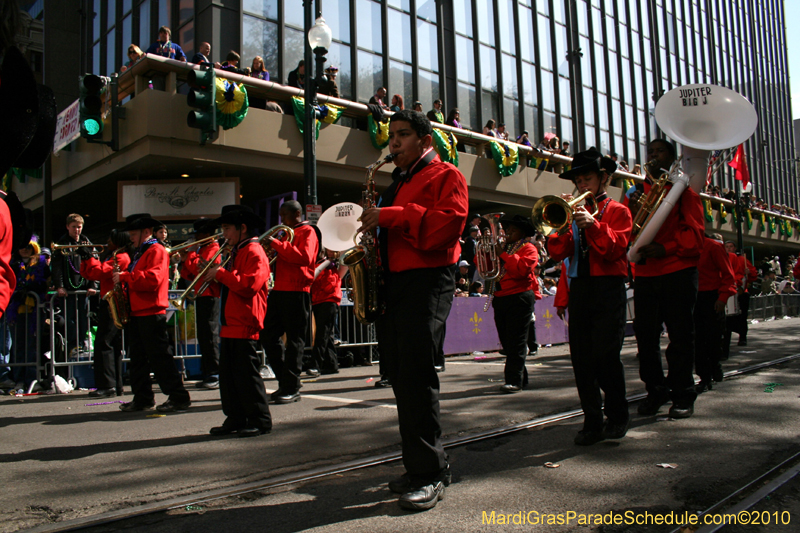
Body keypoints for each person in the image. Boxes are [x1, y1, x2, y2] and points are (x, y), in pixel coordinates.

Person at [357, 109, 468, 511]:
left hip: (428, 279)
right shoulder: (395, 182)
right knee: (403, 377)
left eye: (402, 135)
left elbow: (448, 227)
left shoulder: (446, 175)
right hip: (397, 283)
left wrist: (391, 216)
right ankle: (419, 465)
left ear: (425, 141)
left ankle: (431, 472)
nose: (394, 144)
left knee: (417, 376)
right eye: (390, 137)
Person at [547, 150, 632, 445]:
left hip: (608, 288)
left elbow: (615, 250)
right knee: (581, 360)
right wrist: (560, 224)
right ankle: (592, 420)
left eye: (588, 178)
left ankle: (618, 415)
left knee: (606, 357)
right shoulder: (573, 214)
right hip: (581, 288)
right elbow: (558, 254)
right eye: (579, 180)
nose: (582, 185)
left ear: (603, 179)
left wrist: (593, 224)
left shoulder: (618, 210)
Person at [630, 139, 705, 419]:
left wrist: (666, 248)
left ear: (671, 158)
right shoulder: (636, 192)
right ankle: (656, 391)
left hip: (678, 271)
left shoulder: (684, 191)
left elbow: (696, 235)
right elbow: (630, 232)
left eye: (658, 151)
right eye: (649, 151)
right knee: (645, 338)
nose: (652, 155)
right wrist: (635, 209)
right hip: (647, 274)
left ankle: (683, 393)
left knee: (681, 335)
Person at [203, 205, 272, 437]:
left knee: (246, 376)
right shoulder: (237, 251)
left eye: (227, 228)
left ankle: (259, 420)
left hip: (244, 321)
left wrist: (220, 274)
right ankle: (235, 417)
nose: (224, 234)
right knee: (230, 377)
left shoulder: (253, 251)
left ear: (242, 228)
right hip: (231, 321)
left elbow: (249, 285)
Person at [114, 213, 191, 413]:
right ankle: (143, 398)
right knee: (138, 359)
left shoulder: (155, 249)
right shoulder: (141, 251)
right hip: (139, 310)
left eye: (133, 233)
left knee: (160, 358)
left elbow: (153, 280)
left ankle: (178, 396)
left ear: (145, 232)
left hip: (151, 310)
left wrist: (126, 277)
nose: (130, 237)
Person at [262, 201, 319, 404]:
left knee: (295, 341)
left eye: (284, 215)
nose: (281, 220)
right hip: (280, 289)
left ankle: (291, 386)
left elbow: (305, 257)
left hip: (297, 290)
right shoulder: (288, 233)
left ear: (296, 214)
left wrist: (277, 245)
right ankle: (287, 379)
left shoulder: (307, 231)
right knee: (268, 334)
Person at [485, 215, 538, 393]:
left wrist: (502, 254)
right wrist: (486, 251)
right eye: (507, 229)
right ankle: (521, 376)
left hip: (519, 297)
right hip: (500, 296)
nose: (508, 233)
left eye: (513, 230)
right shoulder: (503, 247)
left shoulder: (529, 248)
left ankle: (514, 380)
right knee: (507, 342)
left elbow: (521, 270)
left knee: (516, 341)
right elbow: (484, 268)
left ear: (522, 233)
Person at [79, 229, 131, 397]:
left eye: (111, 239)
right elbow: (90, 273)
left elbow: (99, 272)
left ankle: (107, 385)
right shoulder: (112, 256)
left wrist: (90, 257)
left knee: (104, 343)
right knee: (111, 344)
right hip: (109, 301)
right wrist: (85, 259)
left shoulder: (121, 257)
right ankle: (116, 385)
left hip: (113, 302)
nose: (107, 241)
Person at [179, 218, 222, 389]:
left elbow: (200, 269)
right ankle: (207, 372)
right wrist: (185, 259)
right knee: (204, 336)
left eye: (198, 234)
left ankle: (214, 373)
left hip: (210, 295)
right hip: (201, 294)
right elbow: (190, 274)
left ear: (205, 234)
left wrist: (190, 253)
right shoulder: (203, 249)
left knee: (210, 335)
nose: (195, 237)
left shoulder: (213, 248)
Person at [694, 234, 736, 393]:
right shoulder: (685, 245)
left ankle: (715, 364)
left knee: (713, 336)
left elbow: (727, 274)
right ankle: (704, 377)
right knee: (697, 339)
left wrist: (723, 297)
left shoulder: (713, 246)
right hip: (693, 297)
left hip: (711, 297)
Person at [51, 214, 99, 355]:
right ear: (67, 227)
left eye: (79, 227)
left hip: (84, 287)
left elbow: (94, 265)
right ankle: (72, 345)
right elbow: (57, 267)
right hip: (69, 288)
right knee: (70, 319)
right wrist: (59, 285)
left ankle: (83, 344)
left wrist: (92, 285)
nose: (77, 230)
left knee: (84, 318)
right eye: (74, 227)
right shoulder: (63, 243)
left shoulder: (86, 242)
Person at [8, 236, 49, 389]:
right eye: (22, 246)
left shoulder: (41, 263)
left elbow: (44, 283)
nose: (25, 249)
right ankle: (19, 378)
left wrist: (32, 290)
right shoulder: (12, 264)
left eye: (28, 246)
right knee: (18, 344)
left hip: (34, 310)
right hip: (16, 310)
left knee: (33, 345)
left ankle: (32, 379)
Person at [309, 248, 346, 375]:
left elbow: (343, 268)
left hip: (329, 300)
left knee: (322, 333)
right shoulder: (317, 264)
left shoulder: (331, 264)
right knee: (325, 333)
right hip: (317, 300)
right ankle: (331, 364)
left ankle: (316, 365)